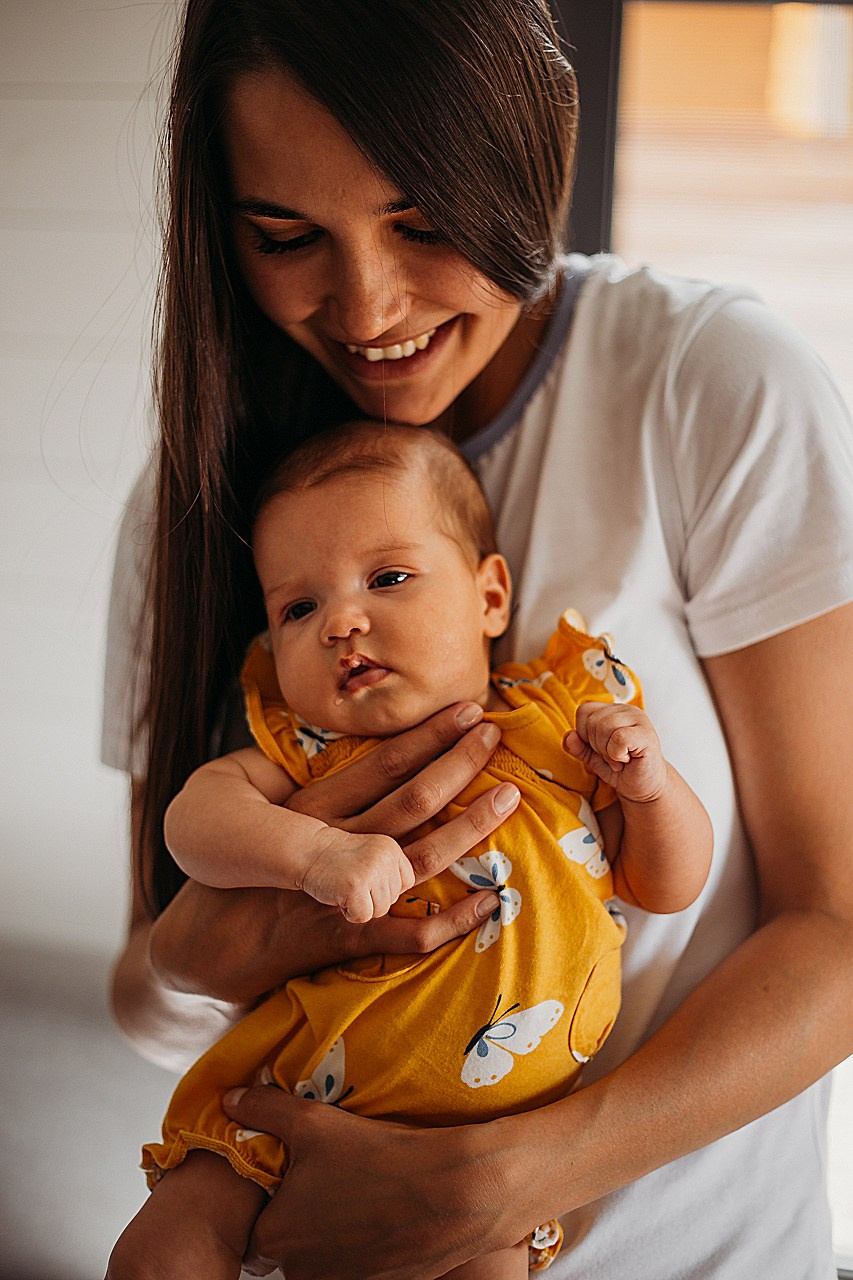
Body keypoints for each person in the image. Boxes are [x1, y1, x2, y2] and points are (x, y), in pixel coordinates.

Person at [101, 1, 853, 1277]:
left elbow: (834, 924)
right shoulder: (203, 507)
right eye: (286, 236)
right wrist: (208, 944)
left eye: (423, 220)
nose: (368, 305)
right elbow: (149, 990)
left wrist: (502, 1179)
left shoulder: (707, 381)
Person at [107, 422, 712, 1280]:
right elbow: (192, 824)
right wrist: (312, 855)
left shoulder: (558, 726)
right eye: (298, 608)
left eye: (387, 578)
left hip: (487, 1150)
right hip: (290, 1097)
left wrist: (652, 789)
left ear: (490, 597)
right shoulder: (307, 750)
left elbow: (666, 885)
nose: (341, 622)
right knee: (161, 1253)